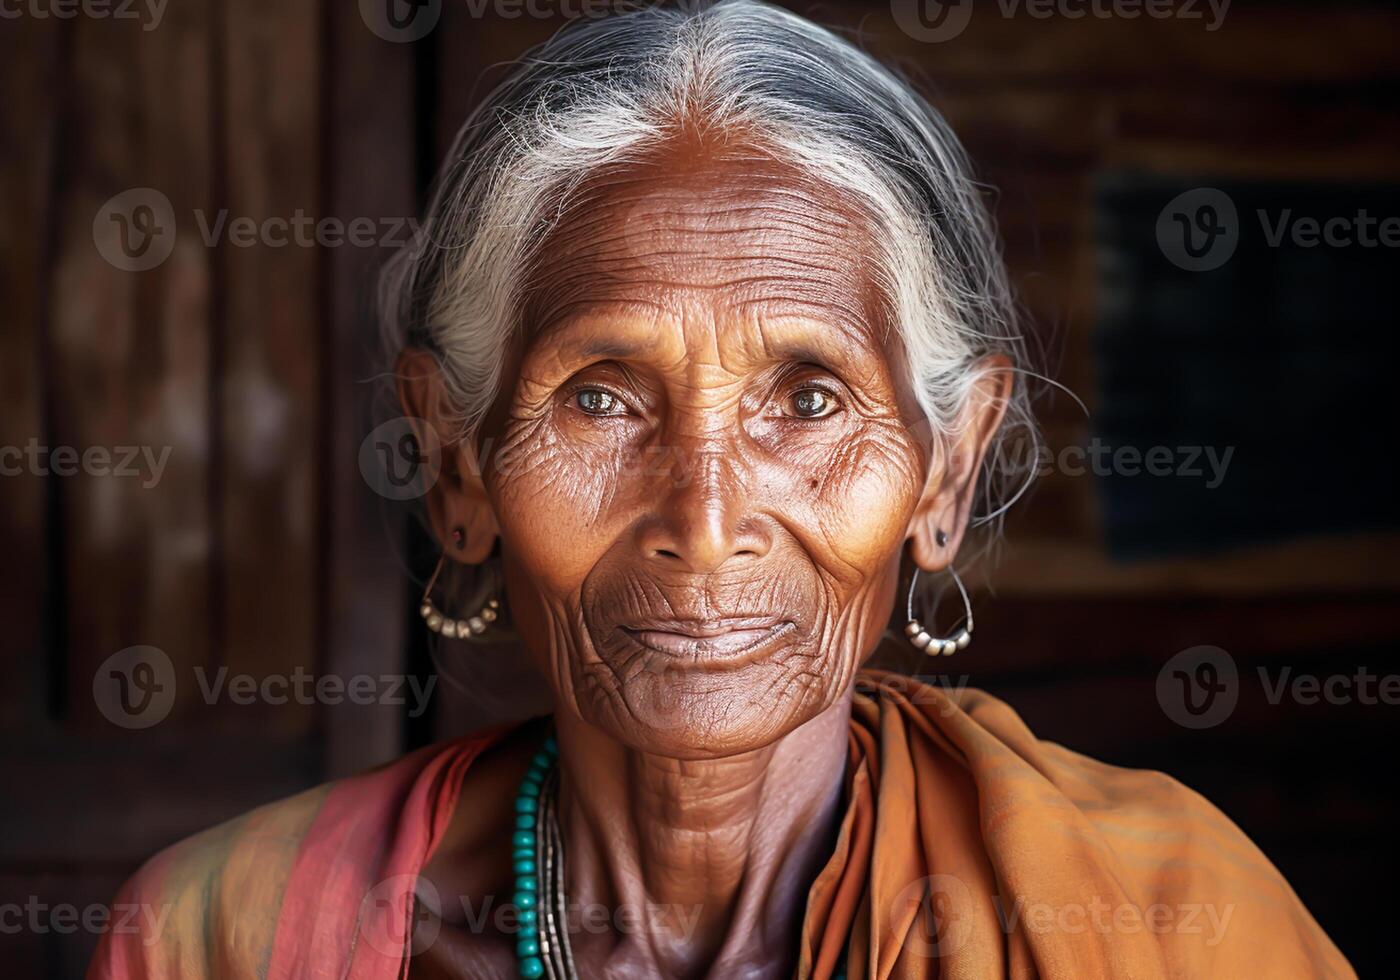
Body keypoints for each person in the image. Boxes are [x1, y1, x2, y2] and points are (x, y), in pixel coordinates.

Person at [88, 2, 1353, 977]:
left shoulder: (1164, 918)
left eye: (807, 400)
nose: (703, 521)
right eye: (599, 396)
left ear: (946, 468)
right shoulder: (220, 937)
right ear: (457, 462)